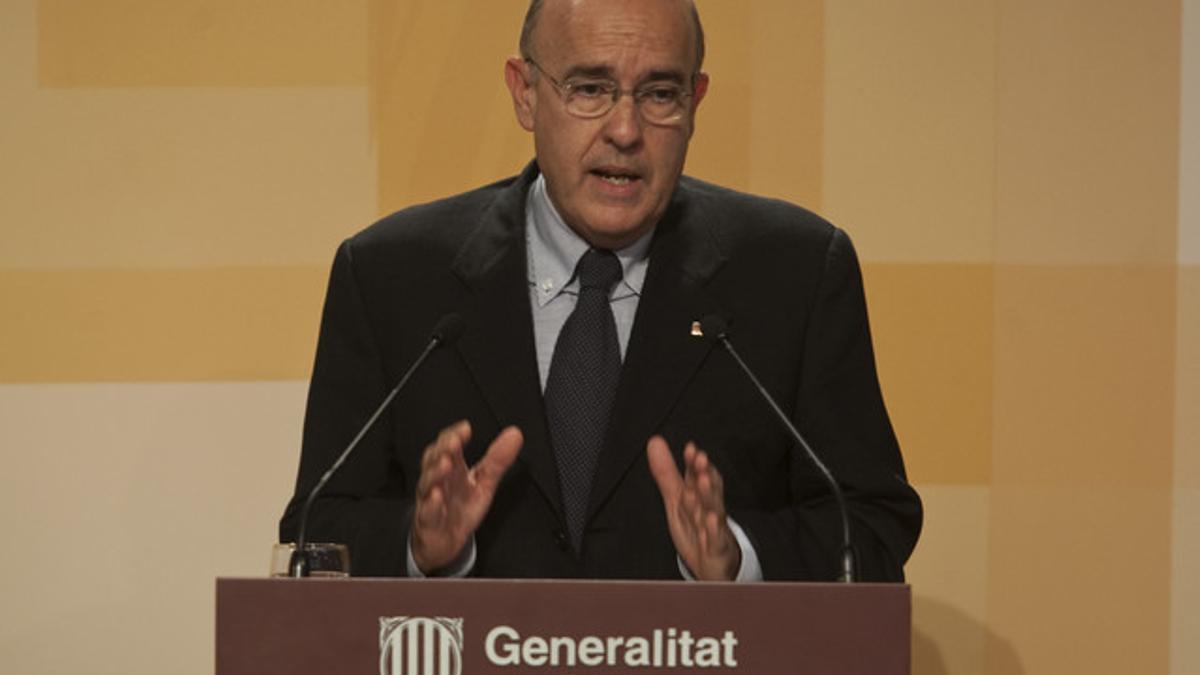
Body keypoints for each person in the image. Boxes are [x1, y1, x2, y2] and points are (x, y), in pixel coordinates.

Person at [280, 0, 921, 582]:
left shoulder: (794, 273)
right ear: (525, 92)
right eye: (589, 88)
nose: (625, 129)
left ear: (695, 101)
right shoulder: (392, 275)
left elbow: (870, 525)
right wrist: (421, 548)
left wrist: (739, 556)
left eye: (660, 93)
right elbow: (315, 531)